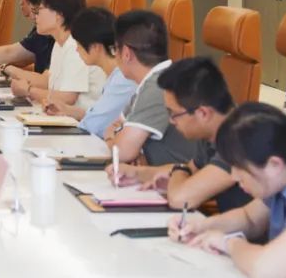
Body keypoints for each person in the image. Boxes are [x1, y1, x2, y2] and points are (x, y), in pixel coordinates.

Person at [169, 103, 286, 277]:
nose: (234, 176)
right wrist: (201, 226)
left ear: (274, 164)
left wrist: (229, 243)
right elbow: (250, 219)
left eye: (239, 167)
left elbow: (267, 269)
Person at [107, 57, 251, 212]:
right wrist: (136, 174)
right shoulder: (214, 130)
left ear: (203, 113)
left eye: (174, 114)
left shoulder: (239, 141)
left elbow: (181, 199)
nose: (171, 121)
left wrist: (179, 174)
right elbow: (189, 169)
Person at [103, 10, 200, 165]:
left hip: (185, 177)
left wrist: (110, 139)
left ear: (126, 53)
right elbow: (118, 126)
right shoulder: (155, 80)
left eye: (115, 49)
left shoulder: (158, 86)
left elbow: (121, 152)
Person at [1, 0, 106, 109]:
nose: (35, 15)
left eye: (39, 10)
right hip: (62, 115)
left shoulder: (76, 46)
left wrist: (28, 90)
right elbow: (50, 83)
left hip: (81, 119)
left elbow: (68, 99)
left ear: (58, 16)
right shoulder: (59, 43)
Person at [43, 7, 135, 138]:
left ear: (95, 47)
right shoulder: (114, 74)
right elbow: (101, 117)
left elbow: (95, 125)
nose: (76, 50)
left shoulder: (122, 79)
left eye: (79, 45)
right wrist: (68, 110)